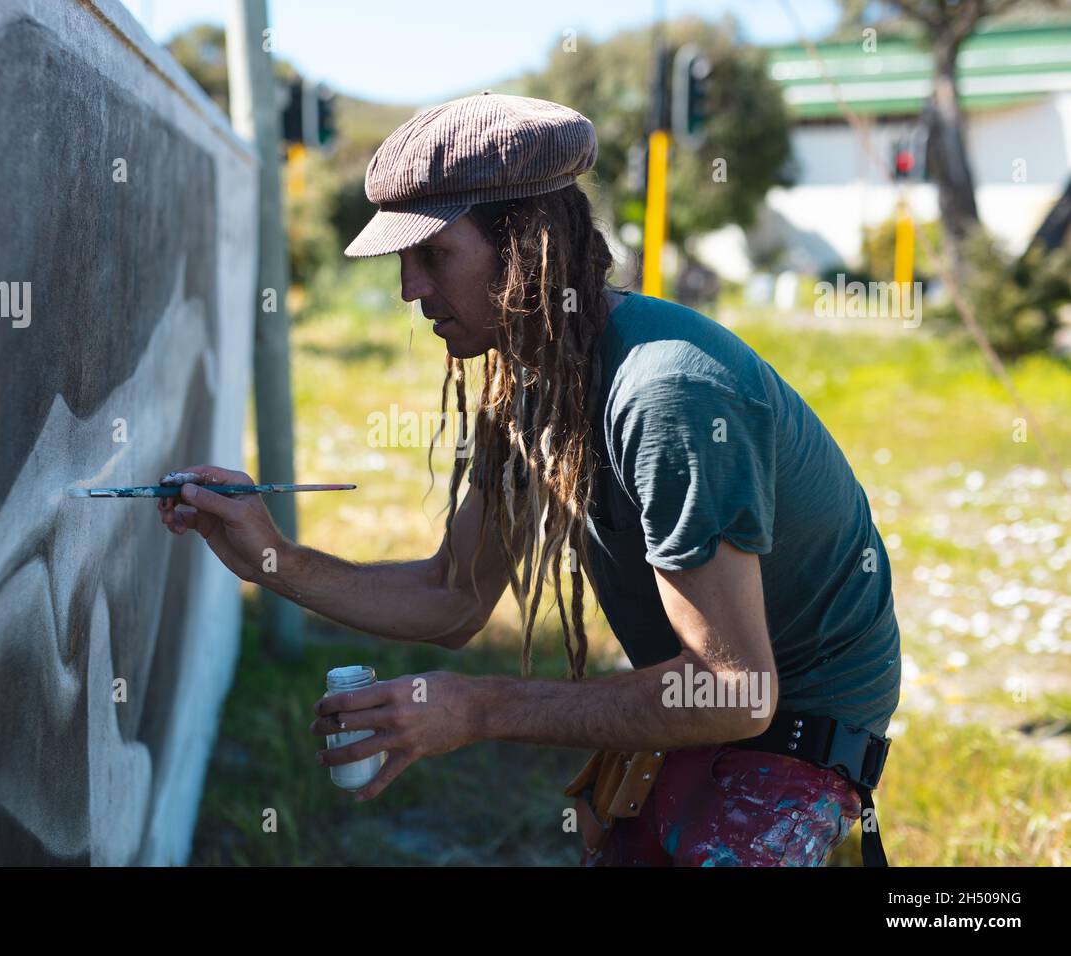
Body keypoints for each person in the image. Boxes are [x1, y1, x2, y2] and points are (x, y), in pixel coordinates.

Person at [157, 91, 900, 866]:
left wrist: (477, 707)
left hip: (790, 738)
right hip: (703, 707)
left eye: (433, 255)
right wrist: (266, 557)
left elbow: (733, 691)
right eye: (404, 262)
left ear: (525, 251)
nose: (410, 290)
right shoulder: (533, 380)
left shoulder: (668, 393)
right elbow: (454, 596)